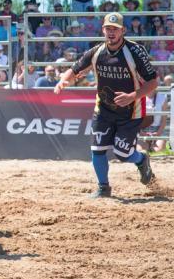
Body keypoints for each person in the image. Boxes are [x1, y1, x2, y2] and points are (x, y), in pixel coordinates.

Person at [54, 12, 158, 198]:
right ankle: (103, 188)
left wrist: (132, 96)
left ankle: (141, 160)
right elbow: (74, 68)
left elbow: (153, 82)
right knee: (97, 149)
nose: (111, 32)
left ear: (123, 31)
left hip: (130, 111)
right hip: (103, 110)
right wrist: (63, 81)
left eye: (115, 29)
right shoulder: (96, 52)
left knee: (122, 153)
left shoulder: (135, 52)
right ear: (103, 30)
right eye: (108, 28)